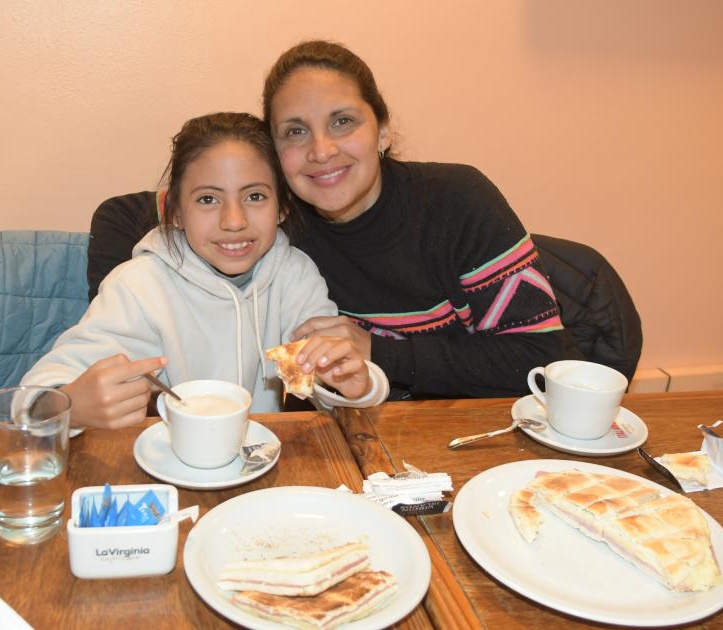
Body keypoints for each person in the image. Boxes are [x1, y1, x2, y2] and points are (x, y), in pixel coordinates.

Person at [86, 40, 581, 400]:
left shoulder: (456, 201)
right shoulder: (279, 223)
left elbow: (539, 360)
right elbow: (130, 212)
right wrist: (120, 283)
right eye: (295, 132)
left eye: (343, 122)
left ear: (383, 130)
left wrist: (376, 351)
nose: (321, 152)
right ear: (276, 156)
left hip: (470, 430)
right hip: (352, 437)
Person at [23, 112, 389, 429]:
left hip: (264, 463)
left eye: (255, 196)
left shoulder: (294, 277)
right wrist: (71, 406)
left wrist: (356, 385)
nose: (234, 221)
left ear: (282, 207)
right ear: (176, 211)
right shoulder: (139, 286)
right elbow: (29, 403)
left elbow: (325, 386)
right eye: (208, 199)